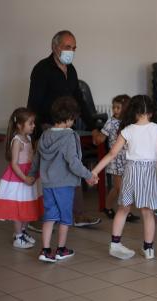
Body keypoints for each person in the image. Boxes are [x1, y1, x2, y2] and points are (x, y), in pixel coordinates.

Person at [27, 30, 100, 228]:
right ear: (55, 47)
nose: (71, 51)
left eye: (74, 48)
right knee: (50, 175)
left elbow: (80, 101)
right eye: (68, 47)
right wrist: (35, 133)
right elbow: (33, 103)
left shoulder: (72, 70)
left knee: (71, 170)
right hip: (48, 129)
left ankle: (76, 214)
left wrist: (93, 127)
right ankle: (40, 218)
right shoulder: (42, 69)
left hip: (68, 129)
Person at [92, 95, 157, 260]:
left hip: (131, 171)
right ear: (151, 112)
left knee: (123, 208)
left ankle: (115, 244)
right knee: (148, 212)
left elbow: (112, 153)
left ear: (133, 112)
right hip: (150, 171)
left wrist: (94, 171)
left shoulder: (126, 130)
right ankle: (148, 249)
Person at [28, 97, 98, 262]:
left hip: (47, 184)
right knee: (65, 218)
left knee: (50, 216)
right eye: (73, 119)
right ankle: (61, 249)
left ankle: (45, 250)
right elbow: (73, 162)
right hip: (64, 184)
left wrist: (32, 174)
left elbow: (37, 158)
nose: (73, 122)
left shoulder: (45, 134)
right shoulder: (69, 136)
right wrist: (88, 175)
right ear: (68, 119)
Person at [0, 108, 41, 249]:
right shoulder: (17, 141)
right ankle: (18, 236)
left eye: (33, 123)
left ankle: (23, 232)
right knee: (18, 208)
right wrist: (24, 178)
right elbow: (14, 163)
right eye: (30, 123)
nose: (34, 126)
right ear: (19, 125)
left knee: (27, 206)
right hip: (19, 179)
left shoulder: (29, 138)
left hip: (29, 175)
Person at [92, 94, 139, 223]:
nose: (115, 110)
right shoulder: (111, 122)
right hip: (116, 159)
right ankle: (125, 211)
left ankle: (107, 207)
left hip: (128, 159)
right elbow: (101, 139)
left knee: (118, 187)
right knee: (120, 188)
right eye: (114, 107)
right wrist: (95, 134)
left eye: (118, 108)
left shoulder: (131, 122)